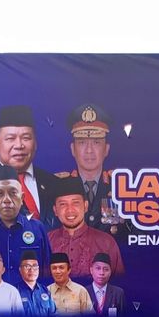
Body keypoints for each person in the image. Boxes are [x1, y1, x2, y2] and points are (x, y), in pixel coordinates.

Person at [56, 102, 127, 240]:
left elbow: (135, 237)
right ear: (72, 149)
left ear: (106, 149)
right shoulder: (57, 186)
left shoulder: (120, 186)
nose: (89, 150)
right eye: (82, 142)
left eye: (96, 142)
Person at [0, 105, 55, 221]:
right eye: (10, 138)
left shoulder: (53, 183)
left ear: (35, 143)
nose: (19, 145)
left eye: (26, 138)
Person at [47, 177, 125, 280]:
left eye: (75, 203)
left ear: (85, 206)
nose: (70, 210)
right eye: (63, 204)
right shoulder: (46, 241)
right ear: (55, 210)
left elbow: (118, 284)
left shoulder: (106, 242)